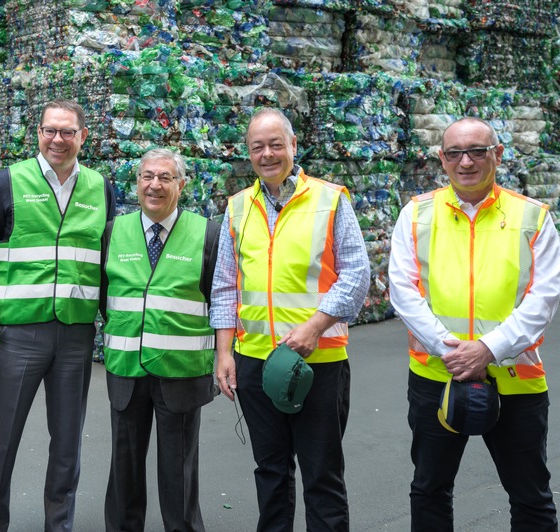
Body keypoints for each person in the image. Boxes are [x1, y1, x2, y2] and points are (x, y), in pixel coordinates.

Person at [389, 117, 560, 531]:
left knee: (531, 496)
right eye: (454, 153)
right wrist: (454, 352)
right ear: (442, 160)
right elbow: (403, 291)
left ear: (497, 155)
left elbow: (544, 296)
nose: (466, 162)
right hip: (437, 377)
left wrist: (488, 349)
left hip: (514, 378)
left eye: (477, 151)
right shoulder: (416, 214)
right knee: (429, 490)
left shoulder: (533, 217)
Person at [210, 108, 370, 531]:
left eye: (276, 144)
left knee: (322, 475)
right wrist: (224, 352)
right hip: (256, 362)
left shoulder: (330, 199)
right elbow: (226, 286)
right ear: (248, 154)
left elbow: (356, 273)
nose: (267, 154)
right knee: (271, 473)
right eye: (257, 147)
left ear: (294, 146)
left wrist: (314, 327)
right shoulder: (237, 208)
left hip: (318, 362)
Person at [0, 99, 115, 531]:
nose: (58, 139)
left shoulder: (101, 187)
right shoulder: (7, 183)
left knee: (68, 444)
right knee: (0, 441)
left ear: (83, 137)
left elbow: (105, 259)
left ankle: (60, 525)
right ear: (38, 133)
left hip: (75, 334)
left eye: (67, 131)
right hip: (18, 333)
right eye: (50, 130)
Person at [101, 148, 220, 532]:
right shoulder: (113, 231)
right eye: (147, 176)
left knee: (179, 472)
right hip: (126, 369)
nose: (155, 185)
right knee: (124, 468)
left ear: (181, 185)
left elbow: (220, 303)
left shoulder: (208, 234)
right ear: (136, 183)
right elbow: (107, 297)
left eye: (165, 178)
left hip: (181, 372)